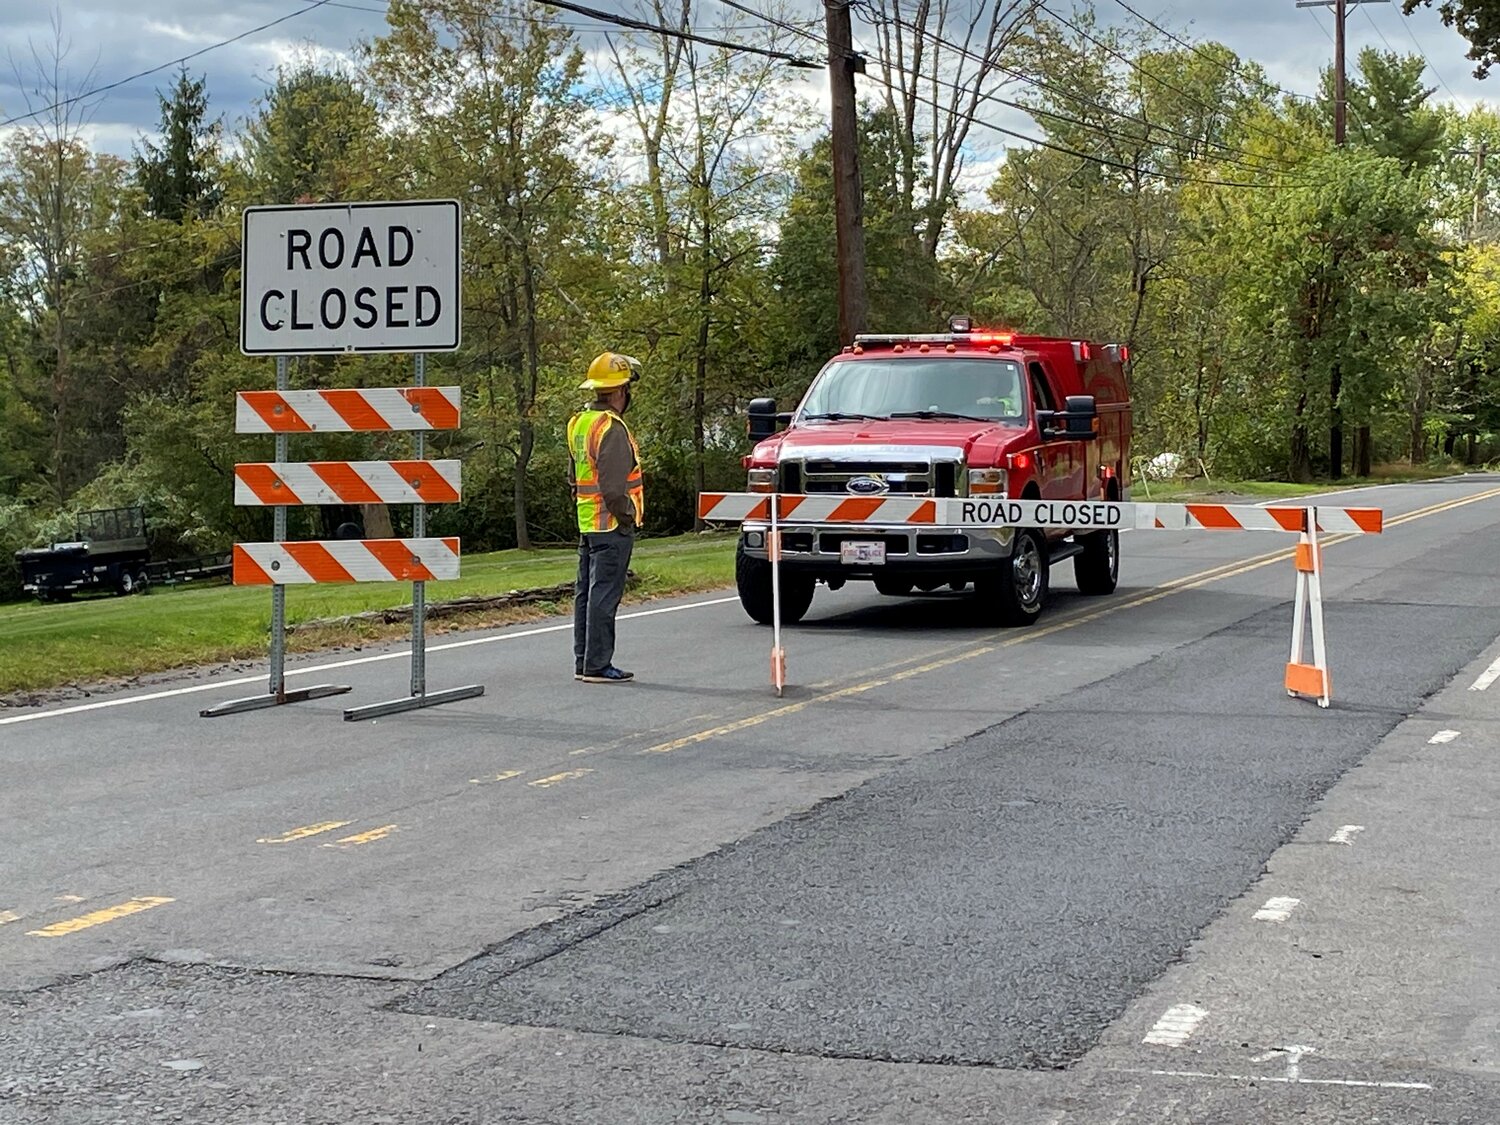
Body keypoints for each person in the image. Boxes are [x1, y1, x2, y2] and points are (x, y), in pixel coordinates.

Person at [568, 352, 645, 684]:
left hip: (588, 522)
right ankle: (598, 665)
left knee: (586, 594)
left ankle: (585, 661)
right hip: (612, 524)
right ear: (620, 391)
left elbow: (573, 477)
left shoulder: (579, 422)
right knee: (603, 595)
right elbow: (614, 489)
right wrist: (628, 516)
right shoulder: (612, 428)